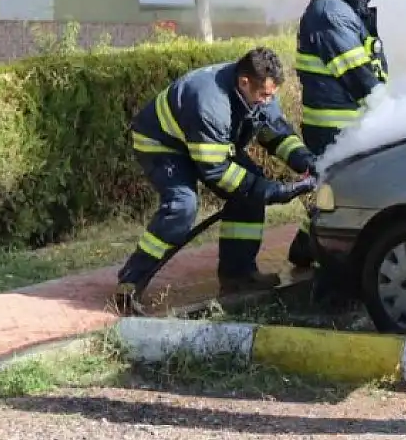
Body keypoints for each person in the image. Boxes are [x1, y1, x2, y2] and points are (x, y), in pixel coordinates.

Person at [113, 47, 319, 316]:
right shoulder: (210, 102)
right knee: (182, 207)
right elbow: (217, 171)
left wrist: (306, 160)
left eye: (272, 95)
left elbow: (274, 133)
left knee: (250, 191)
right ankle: (130, 282)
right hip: (163, 145)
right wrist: (270, 190)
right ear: (244, 82)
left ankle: (238, 275)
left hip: (208, 144)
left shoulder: (258, 92)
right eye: (264, 95)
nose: (268, 101)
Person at [288, 0, 389, 269]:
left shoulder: (345, 8)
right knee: (338, 196)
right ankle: (328, 269)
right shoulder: (330, 14)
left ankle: (305, 249)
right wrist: (388, 110)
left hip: (344, 122)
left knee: (328, 194)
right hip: (334, 126)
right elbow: (356, 75)